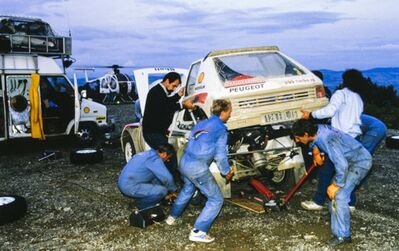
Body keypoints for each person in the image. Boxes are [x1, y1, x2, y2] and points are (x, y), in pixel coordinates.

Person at [292, 119, 372, 246]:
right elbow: (317, 136)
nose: (297, 140)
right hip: (350, 160)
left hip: (359, 163)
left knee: (339, 195)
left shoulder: (328, 139)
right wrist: (315, 151)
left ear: (306, 134)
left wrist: (336, 185)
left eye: (297, 137)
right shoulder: (317, 129)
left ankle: (343, 236)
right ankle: (336, 217)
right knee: (333, 195)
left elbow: (342, 165)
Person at [165, 99, 234, 243]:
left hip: (184, 162)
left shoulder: (202, 123)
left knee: (188, 189)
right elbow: (220, 155)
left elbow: (190, 137)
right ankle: (198, 231)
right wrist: (226, 171)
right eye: (229, 112)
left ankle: (172, 217)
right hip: (197, 167)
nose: (230, 115)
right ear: (223, 112)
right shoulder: (221, 129)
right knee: (216, 199)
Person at [300, 69, 365, 210]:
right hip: (354, 138)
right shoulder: (358, 97)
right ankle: (350, 202)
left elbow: (329, 111)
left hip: (340, 138)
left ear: (345, 80)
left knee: (326, 170)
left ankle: (318, 201)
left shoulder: (340, 94)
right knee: (347, 171)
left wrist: (310, 115)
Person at [117, 143, 178, 210]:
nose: (168, 160)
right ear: (164, 154)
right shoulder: (154, 160)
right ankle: (138, 205)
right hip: (128, 187)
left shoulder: (147, 154)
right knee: (162, 191)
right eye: (168, 157)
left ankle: (153, 197)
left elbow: (158, 177)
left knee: (157, 179)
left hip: (123, 181)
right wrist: (173, 191)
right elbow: (167, 178)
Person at [142, 71, 194, 149]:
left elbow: (166, 102)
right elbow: (165, 108)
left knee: (161, 155)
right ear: (167, 81)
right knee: (168, 155)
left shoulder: (159, 91)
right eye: (174, 86)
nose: (174, 89)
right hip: (153, 133)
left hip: (155, 132)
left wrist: (178, 96)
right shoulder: (156, 92)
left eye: (176, 87)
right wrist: (182, 104)